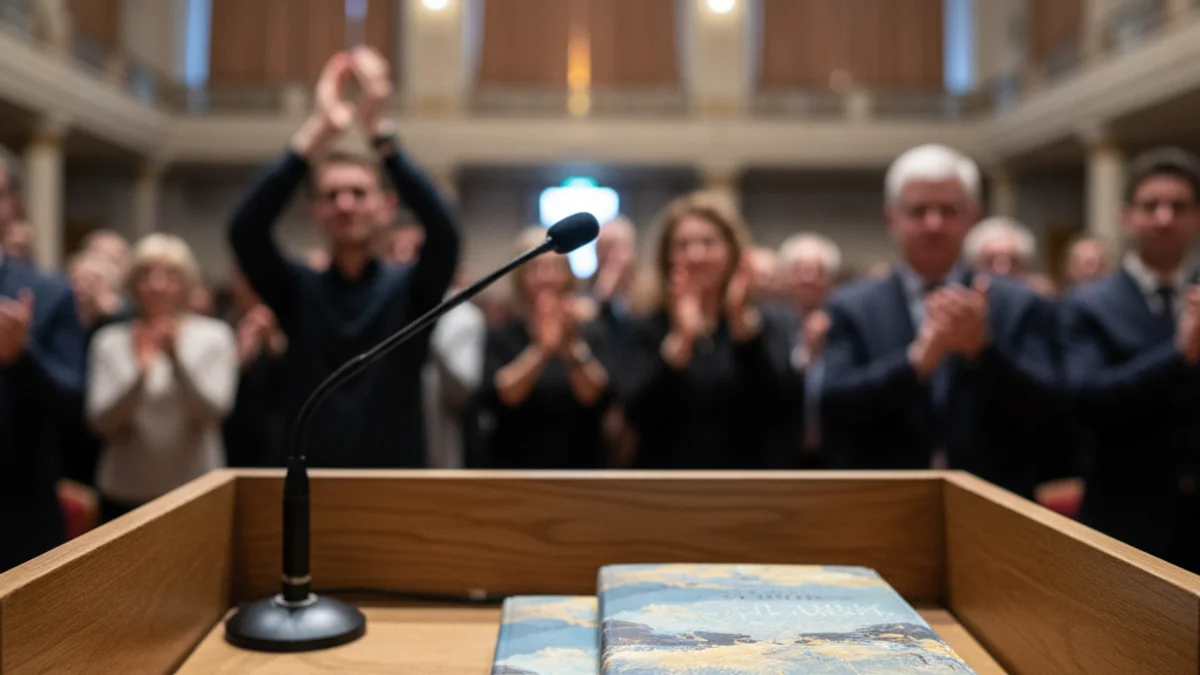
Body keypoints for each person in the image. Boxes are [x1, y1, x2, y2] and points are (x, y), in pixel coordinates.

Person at [228, 48, 459, 468]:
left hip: (394, 480)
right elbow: (245, 230)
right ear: (314, 211)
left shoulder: (411, 290)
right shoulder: (297, 289)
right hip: (310, 479)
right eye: (331, 195)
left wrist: (379, 131)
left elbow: (444, 231)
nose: (345, 204)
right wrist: (319, 130)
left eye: (358, 193)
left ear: (387, 206)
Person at [821, 144, 1059, 498]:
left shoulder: (1019, 303)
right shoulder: (851, 305)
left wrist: (982, 351)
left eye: (948, 210)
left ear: (972, 217)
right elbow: (834, 405)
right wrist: (916, 361)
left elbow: (1051, 408)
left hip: (994, 501)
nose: (933, 224)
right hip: (883, 498)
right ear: (891, 218)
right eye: (918, 211)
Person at [1059, 147, 1200, 571]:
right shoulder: (1088, 303)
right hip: (1124, 519)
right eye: (1151, 205)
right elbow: (1085, 398)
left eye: (1178, 207)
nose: (1164, 218)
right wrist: (1178, 354)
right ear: (1126, 216)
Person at [618, 190, 789, 469]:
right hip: (664, 482)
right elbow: (636, 415)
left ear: (732, 251)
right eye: (682, 245)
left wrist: (742, 327)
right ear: (666, 257)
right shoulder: (645, 327)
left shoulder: (767, 325)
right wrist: (681, 341)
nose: (696, 255)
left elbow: (778, 410)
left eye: (709, 243)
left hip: (745, 481)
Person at [87, 235, 237, 522]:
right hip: (125, 493)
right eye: (147, 275)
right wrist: (140, 375)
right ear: (133, 283)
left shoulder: (214, 337)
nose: (157, 285)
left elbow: (213, 413)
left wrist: (176, 361)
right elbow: (101, 422)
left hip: (195, 489)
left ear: (186, 284)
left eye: (170, 275)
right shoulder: (109, 341)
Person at [0, 145, 86, 571]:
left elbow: (73, 402)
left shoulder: (49, 292)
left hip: (17, 515)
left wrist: (20, 355)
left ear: (12, 205)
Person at [477, 227, 612, 468]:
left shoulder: (591, 331)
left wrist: (570, 347)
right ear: (520, 277)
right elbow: (503, 396)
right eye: (534, 268)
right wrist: (541, 350)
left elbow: (596, 396)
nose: (546, 277)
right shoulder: (501, 333)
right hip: (515, 466)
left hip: (581, 465)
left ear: (569, 275)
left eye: (555, 267)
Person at [775, 232, 841, 468]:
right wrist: (805, 354)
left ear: (832, 279)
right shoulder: (768, 325)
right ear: (785, 276)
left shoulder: (846, 325)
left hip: (837, 455)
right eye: (800, 270)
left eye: (818, 271)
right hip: (780, 455)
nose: (808, 278)